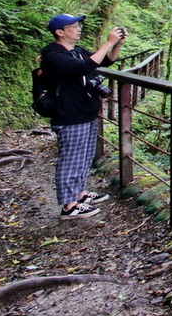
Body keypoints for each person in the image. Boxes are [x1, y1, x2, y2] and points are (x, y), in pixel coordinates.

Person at [40, 14, 127, 219]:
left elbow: (104, 60)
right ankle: (69, 206)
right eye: (73, 26)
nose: (78, 29)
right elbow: (81, 68)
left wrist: (116, 45)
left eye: (79, 25)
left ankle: (80, 194)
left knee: (84, 157)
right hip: (69, 114)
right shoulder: (53, 54)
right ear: (59, 32)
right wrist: (108, 41)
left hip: (85, 112)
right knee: (71, 159)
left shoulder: (76, 51)